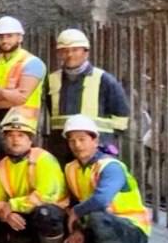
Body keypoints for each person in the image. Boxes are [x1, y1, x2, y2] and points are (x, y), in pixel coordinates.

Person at [58, 115, 150, 243]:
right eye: (72, 140)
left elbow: (101, 200)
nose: (77, 145)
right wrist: (77, 230)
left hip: (131, 229)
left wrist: (77, 213)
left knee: (98, 216)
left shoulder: (110, 167)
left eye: (82, 139)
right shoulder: (71, 168)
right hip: (96, 225)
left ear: (95, 140)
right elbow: (75, 202)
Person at [0, 110, 68, 243]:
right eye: (11, 135)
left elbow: (46, 196)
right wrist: (7, 214)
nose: (15, 140)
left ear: (30, 139)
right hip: (21, 213)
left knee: (45, 213)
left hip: (55, 217)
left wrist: (13, 206)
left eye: (21, 135)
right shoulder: (1, 166)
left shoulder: (44, 159)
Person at [43, 29, 129, 164]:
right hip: (61, 147)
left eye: (75, 50)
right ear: (59, 54)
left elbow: (121, 117)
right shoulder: (52, 80)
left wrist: (104, 141)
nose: (69, 55)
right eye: (64, 51)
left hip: (96, 149)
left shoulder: (104, 79)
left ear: (86, 52)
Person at [0, 16, 46, 168]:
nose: (4, 40)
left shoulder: (33, 63)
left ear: (20, 37)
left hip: (22, 129)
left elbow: (22, 97)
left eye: (9, 36)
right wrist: (7, 94)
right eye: (0, 37)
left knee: (24, 172)